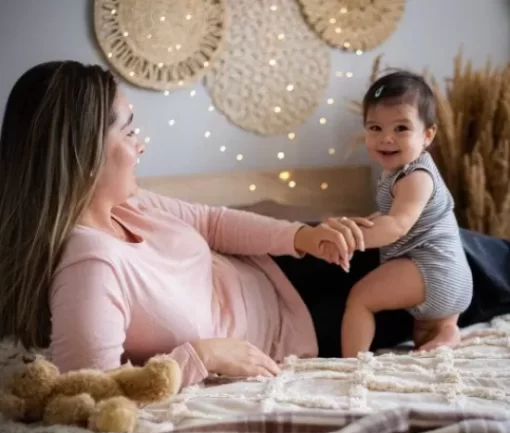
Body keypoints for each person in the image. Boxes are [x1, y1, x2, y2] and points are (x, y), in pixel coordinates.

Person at [0, 61, 509, 390]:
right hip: (300, 327)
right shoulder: (91, 266)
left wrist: (301, 237)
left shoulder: (124, 204)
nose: (142, 143)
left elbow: (210, 220)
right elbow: (88, 389)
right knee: (446, 277)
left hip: (280, 267)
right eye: (129, 127)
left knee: (448, 246)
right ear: (81, 151)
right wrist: (198, 356)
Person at [328, 71, 473, 358]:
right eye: (375, 128)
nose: (386, 138)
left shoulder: (415, 177)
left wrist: (351, 239)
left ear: (428, 135)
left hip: (432, 267)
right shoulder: (402, 173)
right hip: (454, 277)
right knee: (422, 334)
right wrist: (367, 222)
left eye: (401, 128)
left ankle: (349, 365)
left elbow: (396, 225)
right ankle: (446, 331)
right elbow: (393, 214)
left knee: (360, 299)